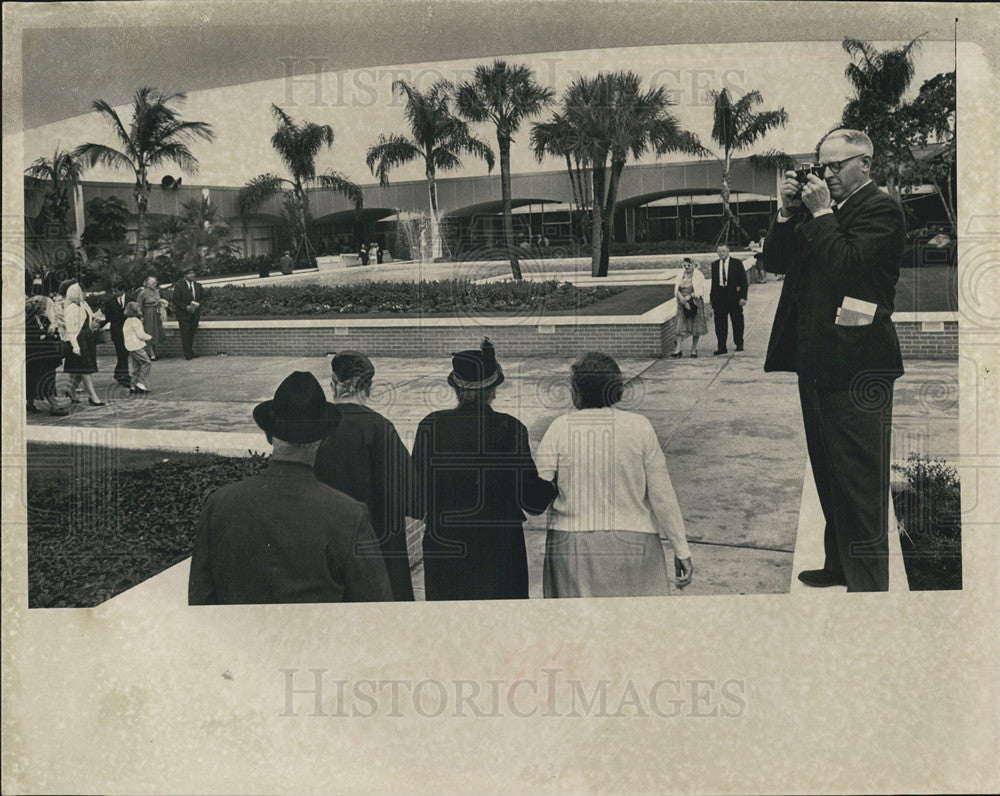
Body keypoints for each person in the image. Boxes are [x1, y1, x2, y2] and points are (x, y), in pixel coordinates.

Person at [763, 128, 906, 592]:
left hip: (858, 366)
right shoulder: (824, 213)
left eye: (835, 167)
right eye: (821, 167)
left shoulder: (881, 209)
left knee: (861, 483)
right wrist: (787, 214)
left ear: (864, 163)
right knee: (829, 473)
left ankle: (868, 585)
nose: (826, 176)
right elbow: (778, 262)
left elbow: (847, 265)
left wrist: (821, 212)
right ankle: (839, 564)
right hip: (817, 363)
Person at [188, 371, 394, 604]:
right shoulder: (348, 514)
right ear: (323, 439)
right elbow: (376, 608)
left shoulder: (220, 504)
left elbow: (201, 599)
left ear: (268, 435)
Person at [535, 352, 693, 597]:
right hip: (635, 542)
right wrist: (680, 548)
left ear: (576, 389)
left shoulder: (559, 428)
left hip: (571, 543)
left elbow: (538, 488)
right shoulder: (640, 427)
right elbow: (662, 495)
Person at [413, 338, 556, 601]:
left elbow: (415, 500)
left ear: (455, 387)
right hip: (500, 552)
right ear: (493, 390)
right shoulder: (511, 428)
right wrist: (552, 480)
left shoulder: (430, 425)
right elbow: (532, 502)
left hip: (446, 548)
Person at [314, 351, 421, 601]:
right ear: (369, 387)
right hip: (378, 557)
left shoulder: (315, 427)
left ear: (333, 383)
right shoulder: (381, 428)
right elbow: (414, 500)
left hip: (328, 557)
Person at [61, 282, 105, 407]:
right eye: (80, 292)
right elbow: (71, 329)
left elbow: (90, 318)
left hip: (87, 337)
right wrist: (75, 346)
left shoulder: (84, 305)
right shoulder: (71, 308)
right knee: (85, 369)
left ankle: (71, 391)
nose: (82, 294)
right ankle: (93, 397)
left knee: (82, 369)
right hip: (79, 339)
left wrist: (95, 320)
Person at [25, 296, 68, 416]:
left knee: (38, 379)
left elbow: (53, 333)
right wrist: (46, 334)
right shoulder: (28, 320)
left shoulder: (43, 318)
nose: (44, 308)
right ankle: (54, 407)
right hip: (37, 356)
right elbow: (32, 339)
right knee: (43, 379)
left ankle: (30, 404)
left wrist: (52, 333)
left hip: (47, 355)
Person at [709, 243, 748, 355]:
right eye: (719, 251)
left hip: (734, 296)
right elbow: (714, 283)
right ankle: (721, 346)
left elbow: (743, 281)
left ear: (728, 251)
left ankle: (739, 342)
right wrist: (712, 298)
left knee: (737, 321)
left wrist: (743, 297)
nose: (721, 253)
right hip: (720, 296)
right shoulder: (714, 265)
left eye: (724, 251)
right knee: (720, 323)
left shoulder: (737, 263)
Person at [669, 257, 709, 358]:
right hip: (682, 302)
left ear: (693, 265)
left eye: (689, 265)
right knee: (679, 325)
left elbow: (700, 289)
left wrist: (688, 297)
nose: (686, 267)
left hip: (694, 301)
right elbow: (677, 288)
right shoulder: (680, 275)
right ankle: (678, 349)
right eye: (684, 265)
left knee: (695, 325)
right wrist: (681, 299)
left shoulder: (698, 275)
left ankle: (694, 349)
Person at [171, 268, 204, 360]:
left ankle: (191, 351)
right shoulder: (179, 286)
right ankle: (187, 353)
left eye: (193, 273)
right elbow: (175, 301)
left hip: (195, 314)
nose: (192, 275)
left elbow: (203, 298)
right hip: (183, 315)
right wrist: (186, 307)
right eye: (189, 273)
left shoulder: (198, 286)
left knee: (191, 334)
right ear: (185, 276)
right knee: (185, 335)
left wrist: (199, 304)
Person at [102, 285, 131, 385]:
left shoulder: (131, 300)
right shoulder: (110, 302)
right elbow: (108, 317)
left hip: (128, 331)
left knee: (125, 354)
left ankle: (118, 373)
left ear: (122, 290)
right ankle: (125, 375)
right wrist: (100, 325)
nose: (114, 293)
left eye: (116, 291)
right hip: (116, 332)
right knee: (121, 354)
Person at [122, 302, 152, 393]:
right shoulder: (136, 321)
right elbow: (140, 335)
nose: (140, 310)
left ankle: (133, 385)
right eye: (138, 309)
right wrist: (149, 337)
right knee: (147, 363)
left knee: (136, 366)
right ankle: (140, 383)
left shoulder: (127, 321)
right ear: (135, 311)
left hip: (130, 346)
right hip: (137, 346)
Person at [136, 276, 167, 360]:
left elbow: (158, 301)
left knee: (155, 333)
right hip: (148, 314)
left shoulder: (156, 292)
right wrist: (141, 317)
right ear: (147, 284)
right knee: (149, 332)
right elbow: (139, 305)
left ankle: (154, 353)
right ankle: (151, 354)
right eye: (152, 282)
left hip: (156, 314)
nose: (154, 284)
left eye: (155, 282)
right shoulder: (143, 293)